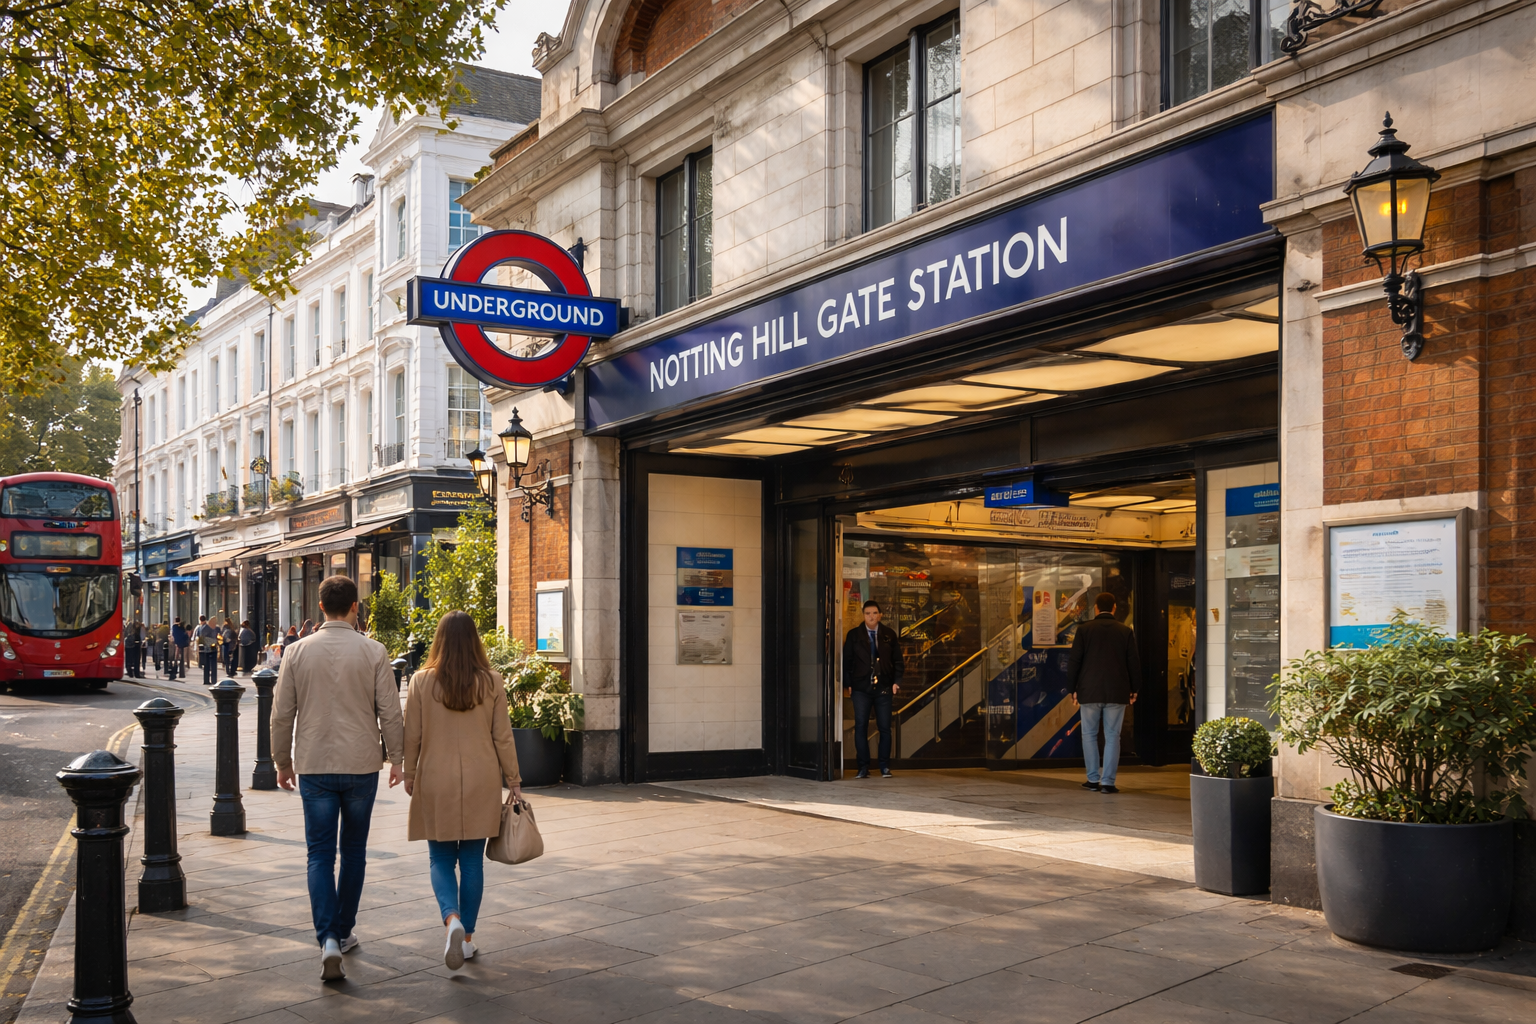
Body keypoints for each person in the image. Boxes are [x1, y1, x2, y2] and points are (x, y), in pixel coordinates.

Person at [272, 575, 403, 982]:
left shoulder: (295, 652)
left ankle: (327, 937)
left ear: (320, 606)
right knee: (355, 853)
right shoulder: (374, 651)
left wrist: (281, 762)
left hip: (313, 764)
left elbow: (280, 714)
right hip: (362, 764)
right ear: (355, 608)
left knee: (319, 854)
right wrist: (398, 759)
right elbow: (390, 711)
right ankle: (344, 932)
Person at [403, 610, 522, 971]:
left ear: (439, 640)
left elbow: (413, 734)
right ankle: (466, 937)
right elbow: (502, 736)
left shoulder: (421, 682)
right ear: (475, 642)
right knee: (471, 862)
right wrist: (513, 779)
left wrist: (409, 773)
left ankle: (450, 918)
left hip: (435, 778)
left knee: (439, 859)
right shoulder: (492, 682)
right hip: (480, 780)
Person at [1067, 592, 1141, 794]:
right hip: (1117, 691)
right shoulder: (1125, 631)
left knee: (1089, 735)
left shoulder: (1084, 630)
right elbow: (1133, 663)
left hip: (1089, 690)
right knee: (1112, 736)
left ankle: (1092, 779)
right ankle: (1108, 782)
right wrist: (1134, 689)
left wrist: (1072, 689)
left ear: (1096, 608)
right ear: (1114, 607)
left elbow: (1075, 661)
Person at [842, 599, 903, 779]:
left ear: (880, 615)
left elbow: (898, 661)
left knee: (884, 727)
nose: (871, 616)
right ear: (863, 615)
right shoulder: (854, 635)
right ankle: (863, 767)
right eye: (868, 613)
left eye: (874, 613)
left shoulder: (888, 635)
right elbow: (847, 662)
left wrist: (896, 681)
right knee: (860, 726)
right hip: (861, 687)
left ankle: (884, 766)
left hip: (884, 686)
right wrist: (849, 684)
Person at [194, 614, 220, 686]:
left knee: (206, 665)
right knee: (213, 665)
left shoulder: (200, 628)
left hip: (205, 649)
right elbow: (217, 637)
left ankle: (206, 680)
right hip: (212, 648)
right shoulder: (214, 628)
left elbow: (199, 637)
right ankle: (213, 680)